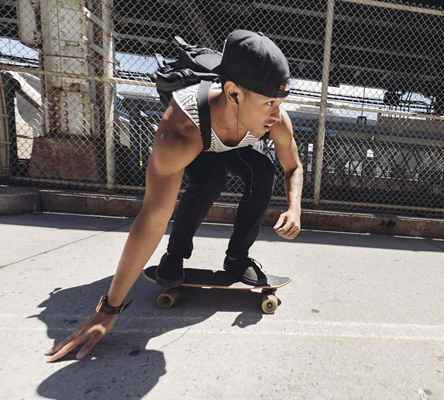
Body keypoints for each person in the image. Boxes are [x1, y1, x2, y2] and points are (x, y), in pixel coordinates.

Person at [45, 30, 303, 362]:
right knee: (208, 180)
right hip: (202, 139)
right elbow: (153, 216)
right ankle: (174, 256)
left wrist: (294, 207)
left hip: (232, 142)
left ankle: (237, 259)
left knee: (264, 171)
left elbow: (292, 166)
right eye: (269, 103)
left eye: (279, 103)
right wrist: (108, 309)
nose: (276, 114)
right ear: (234, 93)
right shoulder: (180, 131)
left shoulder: (274, 118)